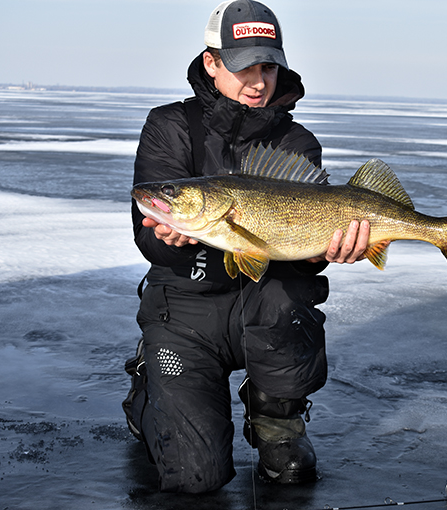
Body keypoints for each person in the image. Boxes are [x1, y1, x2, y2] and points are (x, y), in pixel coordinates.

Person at [122, 0, 371, 493]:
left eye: (268, 66)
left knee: (285, 299)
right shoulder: (170, 126)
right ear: (212, 62)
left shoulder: (297, 141)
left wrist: (328, 251)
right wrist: (164, 237)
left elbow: (302, 253)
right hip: (186, 308)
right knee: (197, 477)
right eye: (243, 66)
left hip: (267, 306)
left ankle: (278, 419)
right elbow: (148, 235)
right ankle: (151, 388)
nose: (258, 82)